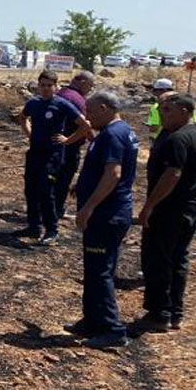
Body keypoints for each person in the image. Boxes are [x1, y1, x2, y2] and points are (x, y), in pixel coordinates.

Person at [136, 94, 196, 332]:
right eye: (161, 109)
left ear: (185, 111)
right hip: (190, 210)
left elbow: (173, 174)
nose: (162, 113)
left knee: (159, 259)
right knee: (179, 259)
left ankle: (160, 313)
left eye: (168, 110)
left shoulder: (178, 139)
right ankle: (175, 312)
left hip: (168, 210)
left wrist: (149, 206)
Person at [65, 91, 138, 349]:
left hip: (106, 214)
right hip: (106, 213)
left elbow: (113, 174)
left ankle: (112, 329)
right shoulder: (116, 131)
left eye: (91, 111)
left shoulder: (112, 135)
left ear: (105, 108)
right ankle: (92, 321)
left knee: (100, 272)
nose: (87, 116)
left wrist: (88, 208)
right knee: (94, 269)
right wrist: (81, 184)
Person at [16, 70, 92, 245]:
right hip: (34, 153)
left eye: (49, 86)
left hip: (52, 156)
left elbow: (85, 125)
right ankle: (33, 226)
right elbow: (23, 117)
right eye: (42, 85)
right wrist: (30, 134)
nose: (45, 89)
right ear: (38, 85)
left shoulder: (62, 104)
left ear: (56, 87)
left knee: (46, 191)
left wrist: (68, 140)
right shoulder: (33, 103)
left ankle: (51, 230)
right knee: (30, 190)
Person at [54, 71, 95, 218]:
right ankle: (56, 210)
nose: (90, 89)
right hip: (68, 147)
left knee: (52, 178)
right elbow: (84, 126)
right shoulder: (77, 100)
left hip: (52, 144)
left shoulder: (60, 94)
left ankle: (48, 208)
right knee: (63, 180)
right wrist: (95, 141)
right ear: (83, 82)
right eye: (90, 86)